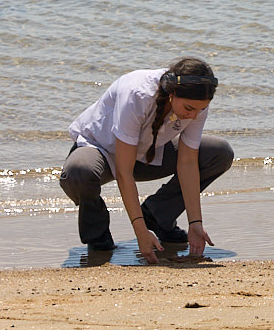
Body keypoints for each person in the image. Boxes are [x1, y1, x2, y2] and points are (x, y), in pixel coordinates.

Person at [59, 56, 233, 262]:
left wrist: (195, 223)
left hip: (148, 153)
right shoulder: (137, 94)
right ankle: (98, 237)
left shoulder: (196, 102)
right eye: (189, 109)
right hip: (101, 150)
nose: (194, 116)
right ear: (172, 94)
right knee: (78, 172)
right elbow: (124, 172)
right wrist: (140, 231)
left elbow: (187, 163)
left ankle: (158, 215)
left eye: (201, 110)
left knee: (219, 153)